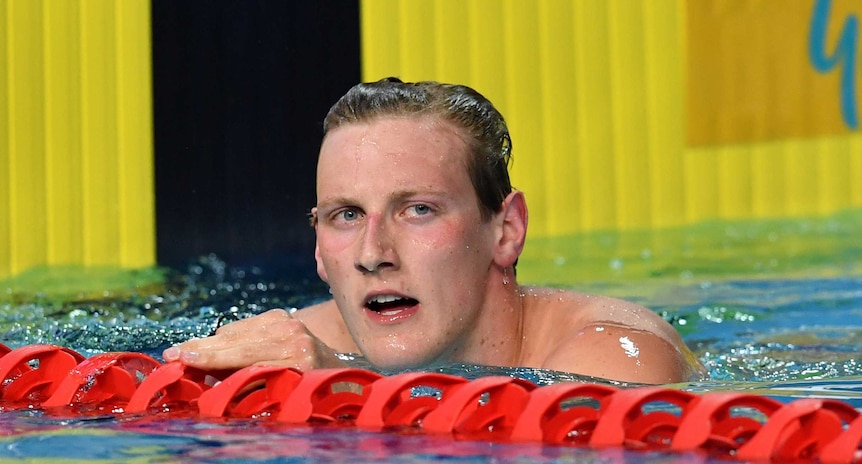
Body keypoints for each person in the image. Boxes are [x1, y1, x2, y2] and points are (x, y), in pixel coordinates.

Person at [163, 78, 706, 384]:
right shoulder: (297, 345)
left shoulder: (618, 358)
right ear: (319, 253)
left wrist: (346, 383)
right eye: (347, 215)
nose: (373, 253)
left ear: (507, 230)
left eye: (417, 210)